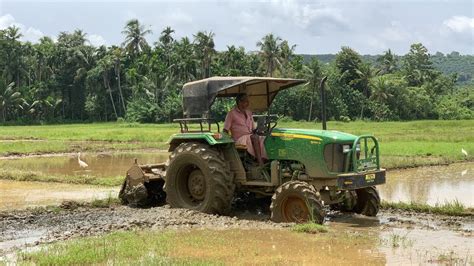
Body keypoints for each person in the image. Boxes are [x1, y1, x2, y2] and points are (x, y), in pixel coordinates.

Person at [223, 93, 267, 165]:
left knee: (264, 138)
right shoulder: (231, 114)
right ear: (239, 102)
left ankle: (266, 159)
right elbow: (225, 130)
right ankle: (260, 162)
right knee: (254, 137)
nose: (246, 104)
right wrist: (228, 142)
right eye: (244, 101)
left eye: (247, 102)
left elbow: (253, 129)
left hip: (250, 136)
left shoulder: (249, 113)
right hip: (239, 139)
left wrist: (260, 130)